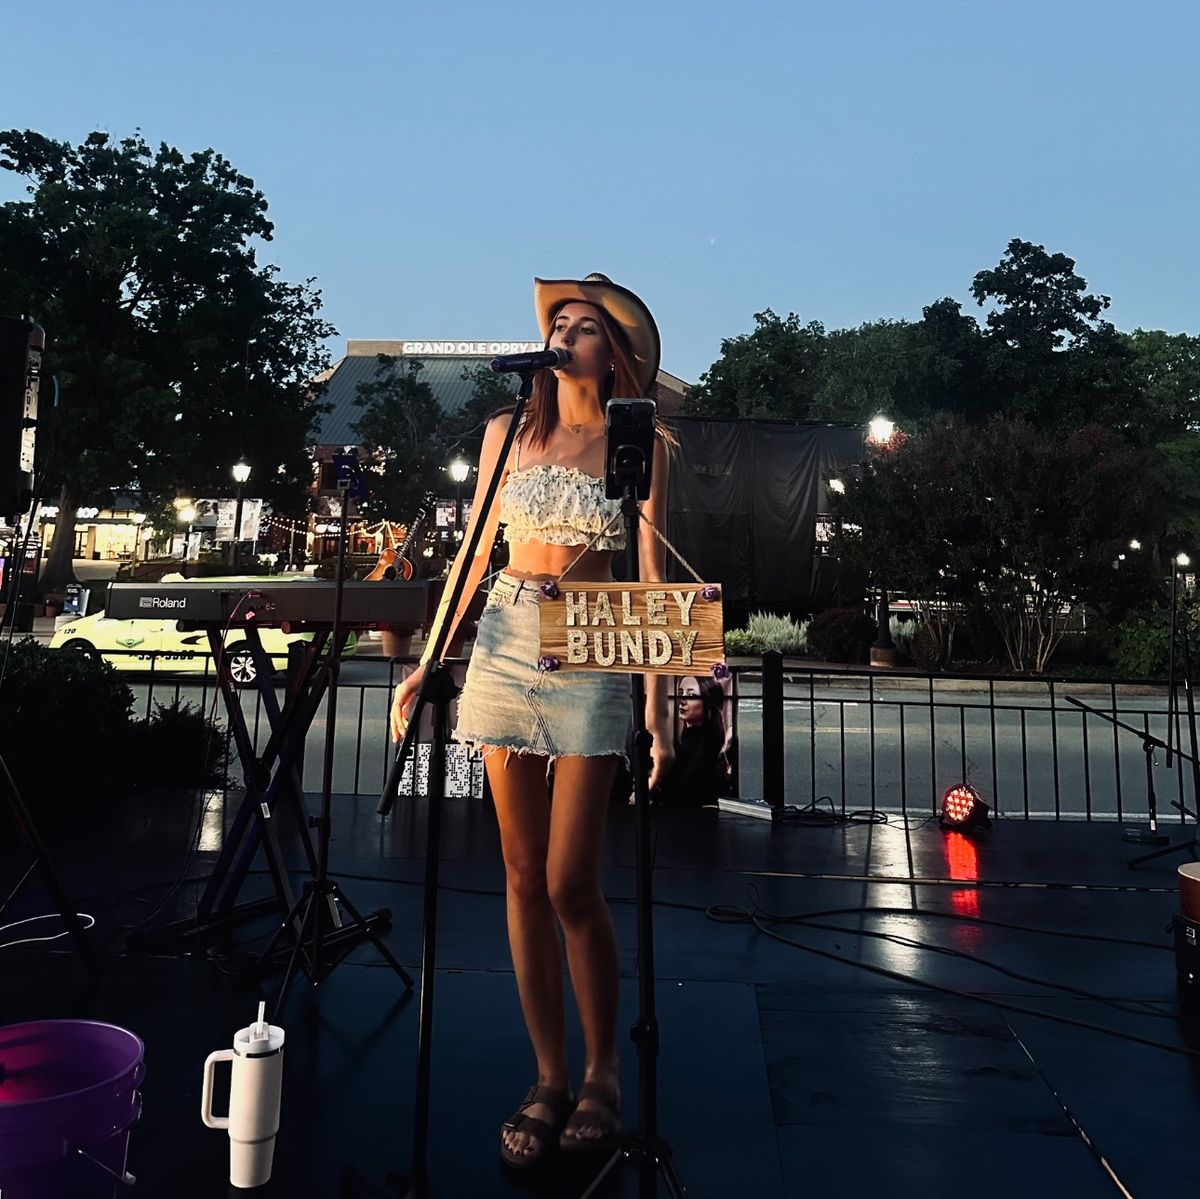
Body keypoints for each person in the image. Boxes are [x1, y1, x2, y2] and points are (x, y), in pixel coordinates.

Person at [390, 273, 673, 1170]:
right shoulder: (508, 432)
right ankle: (548, 1075)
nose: (567, 336)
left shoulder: (638, 439)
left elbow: (652, 575)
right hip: (507, 636)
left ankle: (603, 1071)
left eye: (585, 327)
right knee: (516, 871)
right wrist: (429, 659)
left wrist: (658, 708)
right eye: (559, 323)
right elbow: (474, 549)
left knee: (568, 880)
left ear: (613, 352)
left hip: (589, 643)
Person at [658, 675, 732, 808]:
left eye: (691, 695)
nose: (682, 700)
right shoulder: (688, 738)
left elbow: (683, 792)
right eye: (680, 693)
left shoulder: (704, 744)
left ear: (708, 701)